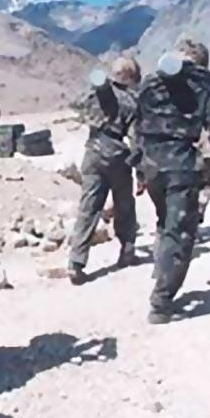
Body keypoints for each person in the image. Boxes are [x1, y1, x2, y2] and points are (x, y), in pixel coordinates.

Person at [132, 44, 210, 325]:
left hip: (152, 166)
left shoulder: (151, 84)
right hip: (182, 168)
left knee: (164, 222)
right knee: (180, 233)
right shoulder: (203, 87)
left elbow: (137, 127)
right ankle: (161, 301)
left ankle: (161, 270)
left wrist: (139, 171)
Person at [67, 56, 142, 285]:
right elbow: (136, 139)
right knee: (124, 205)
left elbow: (76, 105)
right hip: (117, 154)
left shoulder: (95, 93)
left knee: (88, 208)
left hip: (93, 152)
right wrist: (141, 171)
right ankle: (127, 250)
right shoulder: (132, 102)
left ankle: (76, 262)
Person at [174, 39, 210, 240]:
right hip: (199, 149)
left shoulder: (165, 86)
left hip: (166, 150)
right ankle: (190, 225)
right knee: (202, 187)